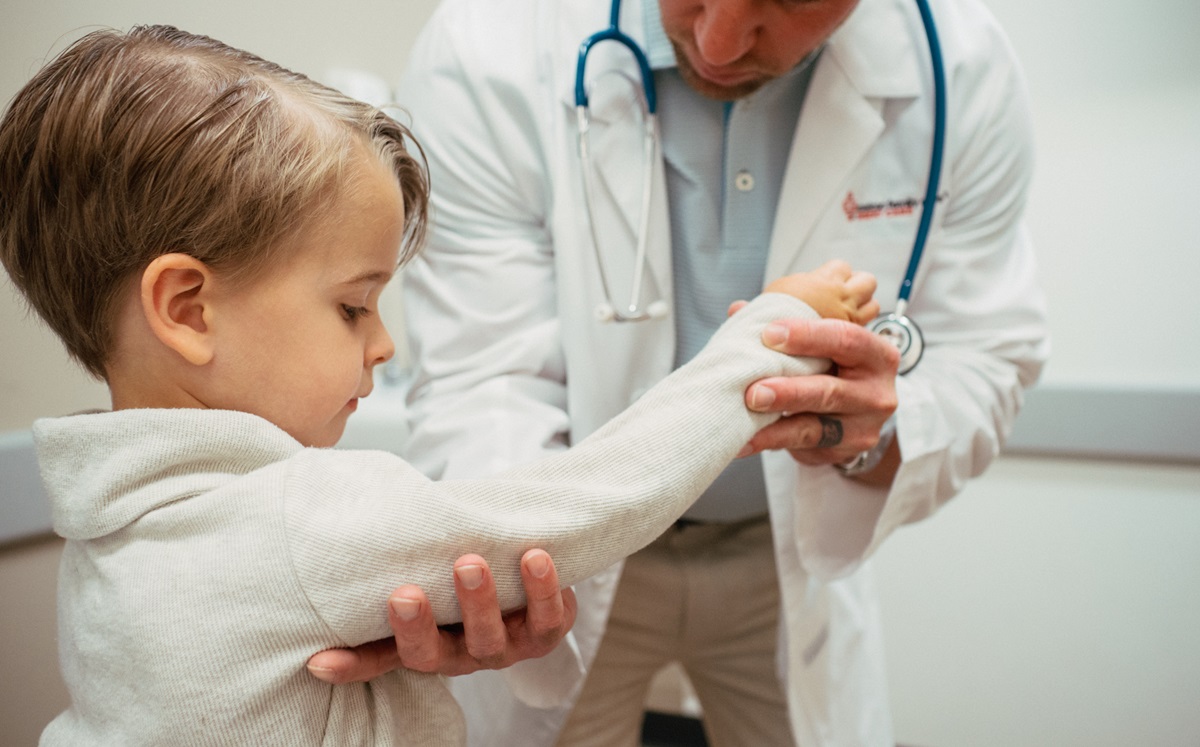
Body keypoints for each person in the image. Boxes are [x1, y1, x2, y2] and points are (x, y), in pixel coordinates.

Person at [0, 25, 883, 746]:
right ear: (188, 308)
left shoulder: (112, 529)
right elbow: (587, 501)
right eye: (353, 306)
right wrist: (763, 340)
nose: (384, 344)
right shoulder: (297, 519)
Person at [321, 0, 1051, 744]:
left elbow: (986, 353)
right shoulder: (489, 43)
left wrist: (873, 430)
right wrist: (505, 569)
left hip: (782, 552)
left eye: (789, 1)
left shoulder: (960, 69)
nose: (719, 41)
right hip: (570, 553)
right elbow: (489, 377)